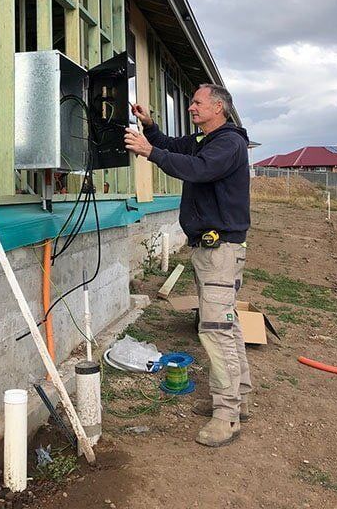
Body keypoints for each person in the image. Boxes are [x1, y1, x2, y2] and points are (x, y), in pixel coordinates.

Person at [124, 83, 252, 448]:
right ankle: (238, 401)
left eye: (197, 103)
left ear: (218, 107)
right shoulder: (206, 140)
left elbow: (196, 169)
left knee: (215, 329)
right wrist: (150, 128)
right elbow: (173, 147)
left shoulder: (227, 144)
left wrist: (148, 151)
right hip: (213, 251)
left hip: (221, 251)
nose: (192, 108)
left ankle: (226, 417)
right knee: (226, 324)